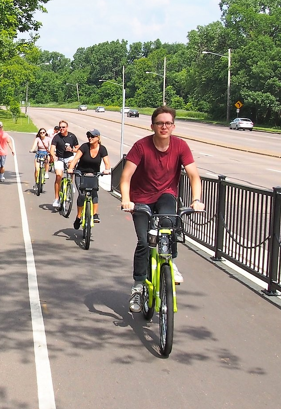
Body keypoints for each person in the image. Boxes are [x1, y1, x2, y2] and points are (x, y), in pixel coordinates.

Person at [119, 106, 205, 312]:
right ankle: (138, 287)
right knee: (143, 241)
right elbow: (125, 177)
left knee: (168, 222)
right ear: (153, 126)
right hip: (140, 198)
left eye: (167, 123)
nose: (164, 127)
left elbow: (194, 176)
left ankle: (170, 262)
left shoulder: (180, 146)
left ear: (173, 126)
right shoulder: (141, 146)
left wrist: (196, 199)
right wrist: (126, 199)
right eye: (160, 123)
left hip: (165, 193)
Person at [66, 128, 111, 229]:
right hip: (80, 173)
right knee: (82, 194)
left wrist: (107, 170)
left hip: (93, 174)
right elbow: (75, 159)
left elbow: (107, 163)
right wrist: (71, 168)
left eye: (92, 136)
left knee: (94, 192)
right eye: (88, 136)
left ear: (98, 138)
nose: (90, 138)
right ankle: (78, 217)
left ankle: (95, 214)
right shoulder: (84, 147)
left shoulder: (102, 149)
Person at [50, 120, 78, 209]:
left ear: (67, 128)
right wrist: (53, 156)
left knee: (71, 166)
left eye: (63, 127)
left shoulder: (72, 136)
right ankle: (57, 199)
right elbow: (52, 149)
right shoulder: (56, 137)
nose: (61, 129)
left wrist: (71, 150)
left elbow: (78, 149)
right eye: (60, 127)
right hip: (59, 158)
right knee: (58, 176)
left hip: (69, 157)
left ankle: (70, 183)